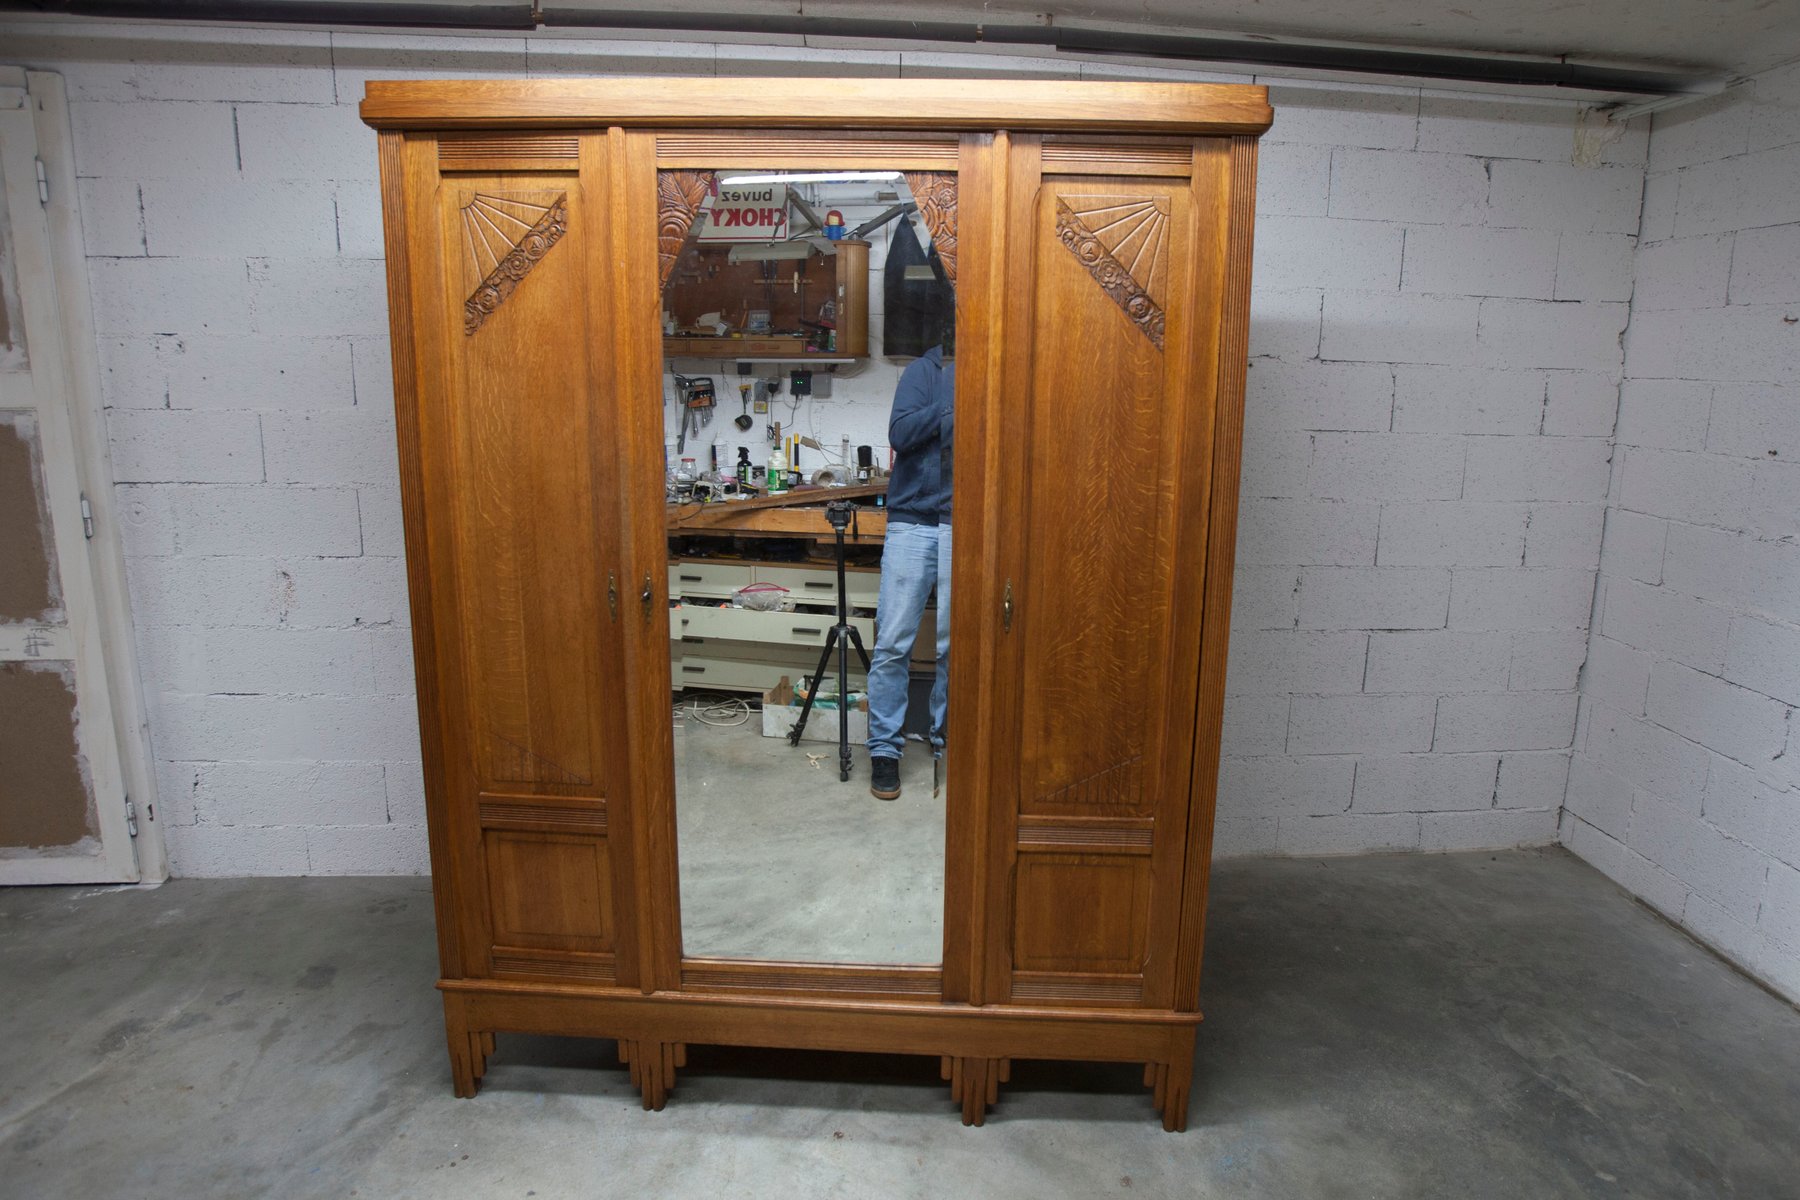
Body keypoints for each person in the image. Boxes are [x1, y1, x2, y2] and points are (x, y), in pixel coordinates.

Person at [866, 331, 953, 801]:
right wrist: (952, 408)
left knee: (954, 647)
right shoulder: (924, 371)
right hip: (913, 524)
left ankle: (945, 741)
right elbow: (900, 434)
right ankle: (884, 749)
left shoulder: (993, 372)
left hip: (967, 525)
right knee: (893, 643)